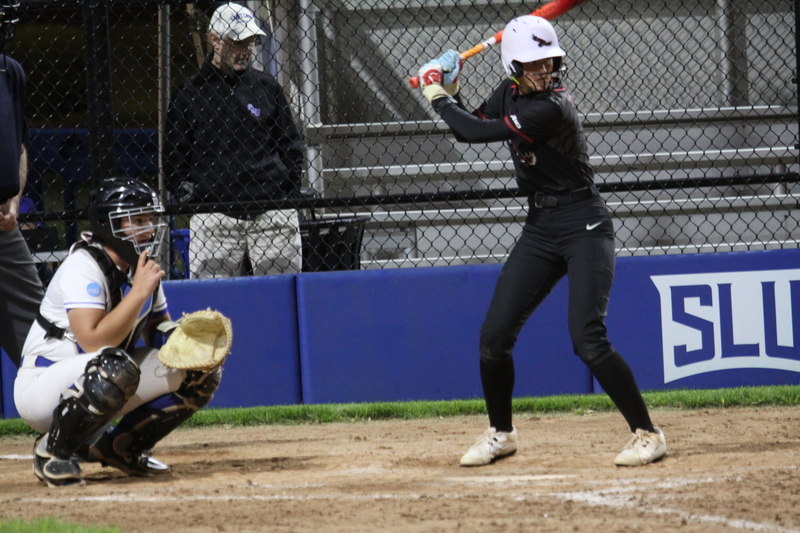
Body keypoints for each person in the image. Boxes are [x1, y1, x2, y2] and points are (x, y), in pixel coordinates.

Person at [416, 16, 667, 467]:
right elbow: (470, 122)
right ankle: (501, 433)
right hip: (540, 226)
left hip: (583, 223)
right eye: (534, 64)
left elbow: (472, 134)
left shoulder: (552, 106)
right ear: (513, 66)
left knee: (587, 340)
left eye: (549, 62)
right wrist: (452, 92)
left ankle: (648, 434)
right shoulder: (509, 92)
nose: (545, 70)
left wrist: (434, 91)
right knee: (493, 336)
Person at [14, 177, 223, 487]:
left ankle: (122, 447)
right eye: (137, 220)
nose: (148, 229)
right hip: (43, 387)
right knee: (115, 365)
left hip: (97, 376)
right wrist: (138, 293)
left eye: (149, 219)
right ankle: (53, 452)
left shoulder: (138, 267)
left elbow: (156, 332)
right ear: (110, 226)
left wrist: (185, 338)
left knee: (199, 371)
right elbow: (93, 341)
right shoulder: (83, 265)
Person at [164, 2, 304, 278]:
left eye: (250, 41)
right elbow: (174, 157)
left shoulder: (266, 87)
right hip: (215, 213)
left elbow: (290, 145)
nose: (247, 49)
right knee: (212, 305)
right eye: (238, 41)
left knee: (283, 295)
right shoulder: (190, 93)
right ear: (214, 39)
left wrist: (287, 194)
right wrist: (196, 199)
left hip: (271, 209)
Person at [0, 0, 45, 368]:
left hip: (4, 226)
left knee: (41, 339)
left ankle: (65, 420)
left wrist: (14, 202)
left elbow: (18, 146)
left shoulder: (9, 71)